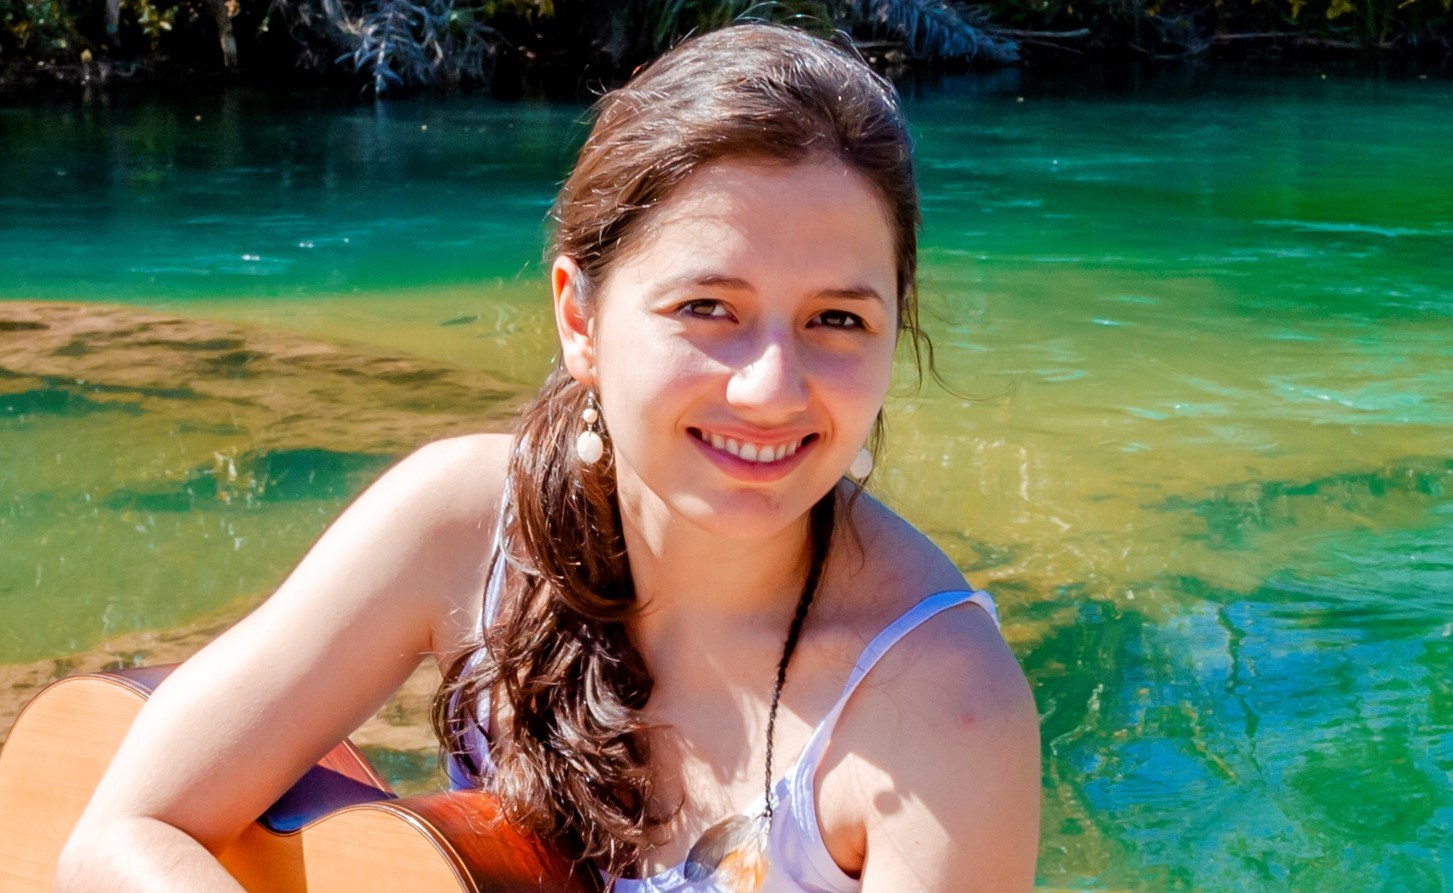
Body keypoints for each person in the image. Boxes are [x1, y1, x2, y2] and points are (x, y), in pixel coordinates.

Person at [55, 22, 1040, 893]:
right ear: (579, 315)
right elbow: (119, 831)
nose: (770, 386)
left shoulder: (944, 711)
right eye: (708, 308)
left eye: (836, 318)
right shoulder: (463, 525)